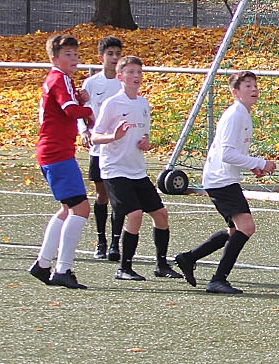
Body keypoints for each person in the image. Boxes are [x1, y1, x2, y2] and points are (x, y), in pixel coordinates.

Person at [174, 71, 276, 295]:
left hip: (222, 178)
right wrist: (259, 162)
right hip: (220, 180)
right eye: (247, 85)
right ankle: (218, 280)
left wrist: (252, 166)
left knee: (234, 231)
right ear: (235, 92)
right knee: (246, 227)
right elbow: (227, 155)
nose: (254, 89)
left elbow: (231, 153)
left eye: (255, 85)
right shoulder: (235, 115)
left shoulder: (243, 114)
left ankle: (188, 258)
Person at [89, 56, 180, 282]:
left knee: (161, 214)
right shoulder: (112, 103)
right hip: (114, 170)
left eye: (139, 72)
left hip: (136, 170)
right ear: (120, 77)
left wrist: (145, 143)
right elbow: (95, 136)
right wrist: (113, 136)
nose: (136, 76)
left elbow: (144, 134)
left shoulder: (143, 103)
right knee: (135, 214)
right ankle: (124, 268)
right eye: (131, 72)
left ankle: (161, 265)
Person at [27, 33, 95, 290]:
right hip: (57, 153)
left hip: (53, 151)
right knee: (81, 208)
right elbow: (69, 110)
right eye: (68, 55)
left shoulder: (59, 79)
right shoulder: (60, 78)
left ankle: (43, 263)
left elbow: (64, 106)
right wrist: (88, 111)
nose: (74, 58)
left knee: (68, 209)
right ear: (55, 59)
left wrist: (80, 99)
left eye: (76, 54)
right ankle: (62, 269)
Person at [81, 35, 125, 261]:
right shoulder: (91, 83)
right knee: (101, 194)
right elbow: (82, 110)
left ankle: (115, 243)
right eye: (110, 54)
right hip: (99, 148)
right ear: (101, 58)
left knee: (119, 196)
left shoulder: (123, 83)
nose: (114, 58)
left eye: (118, 54)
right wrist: (84, 131)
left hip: (119, 148)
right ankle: (101, 241)